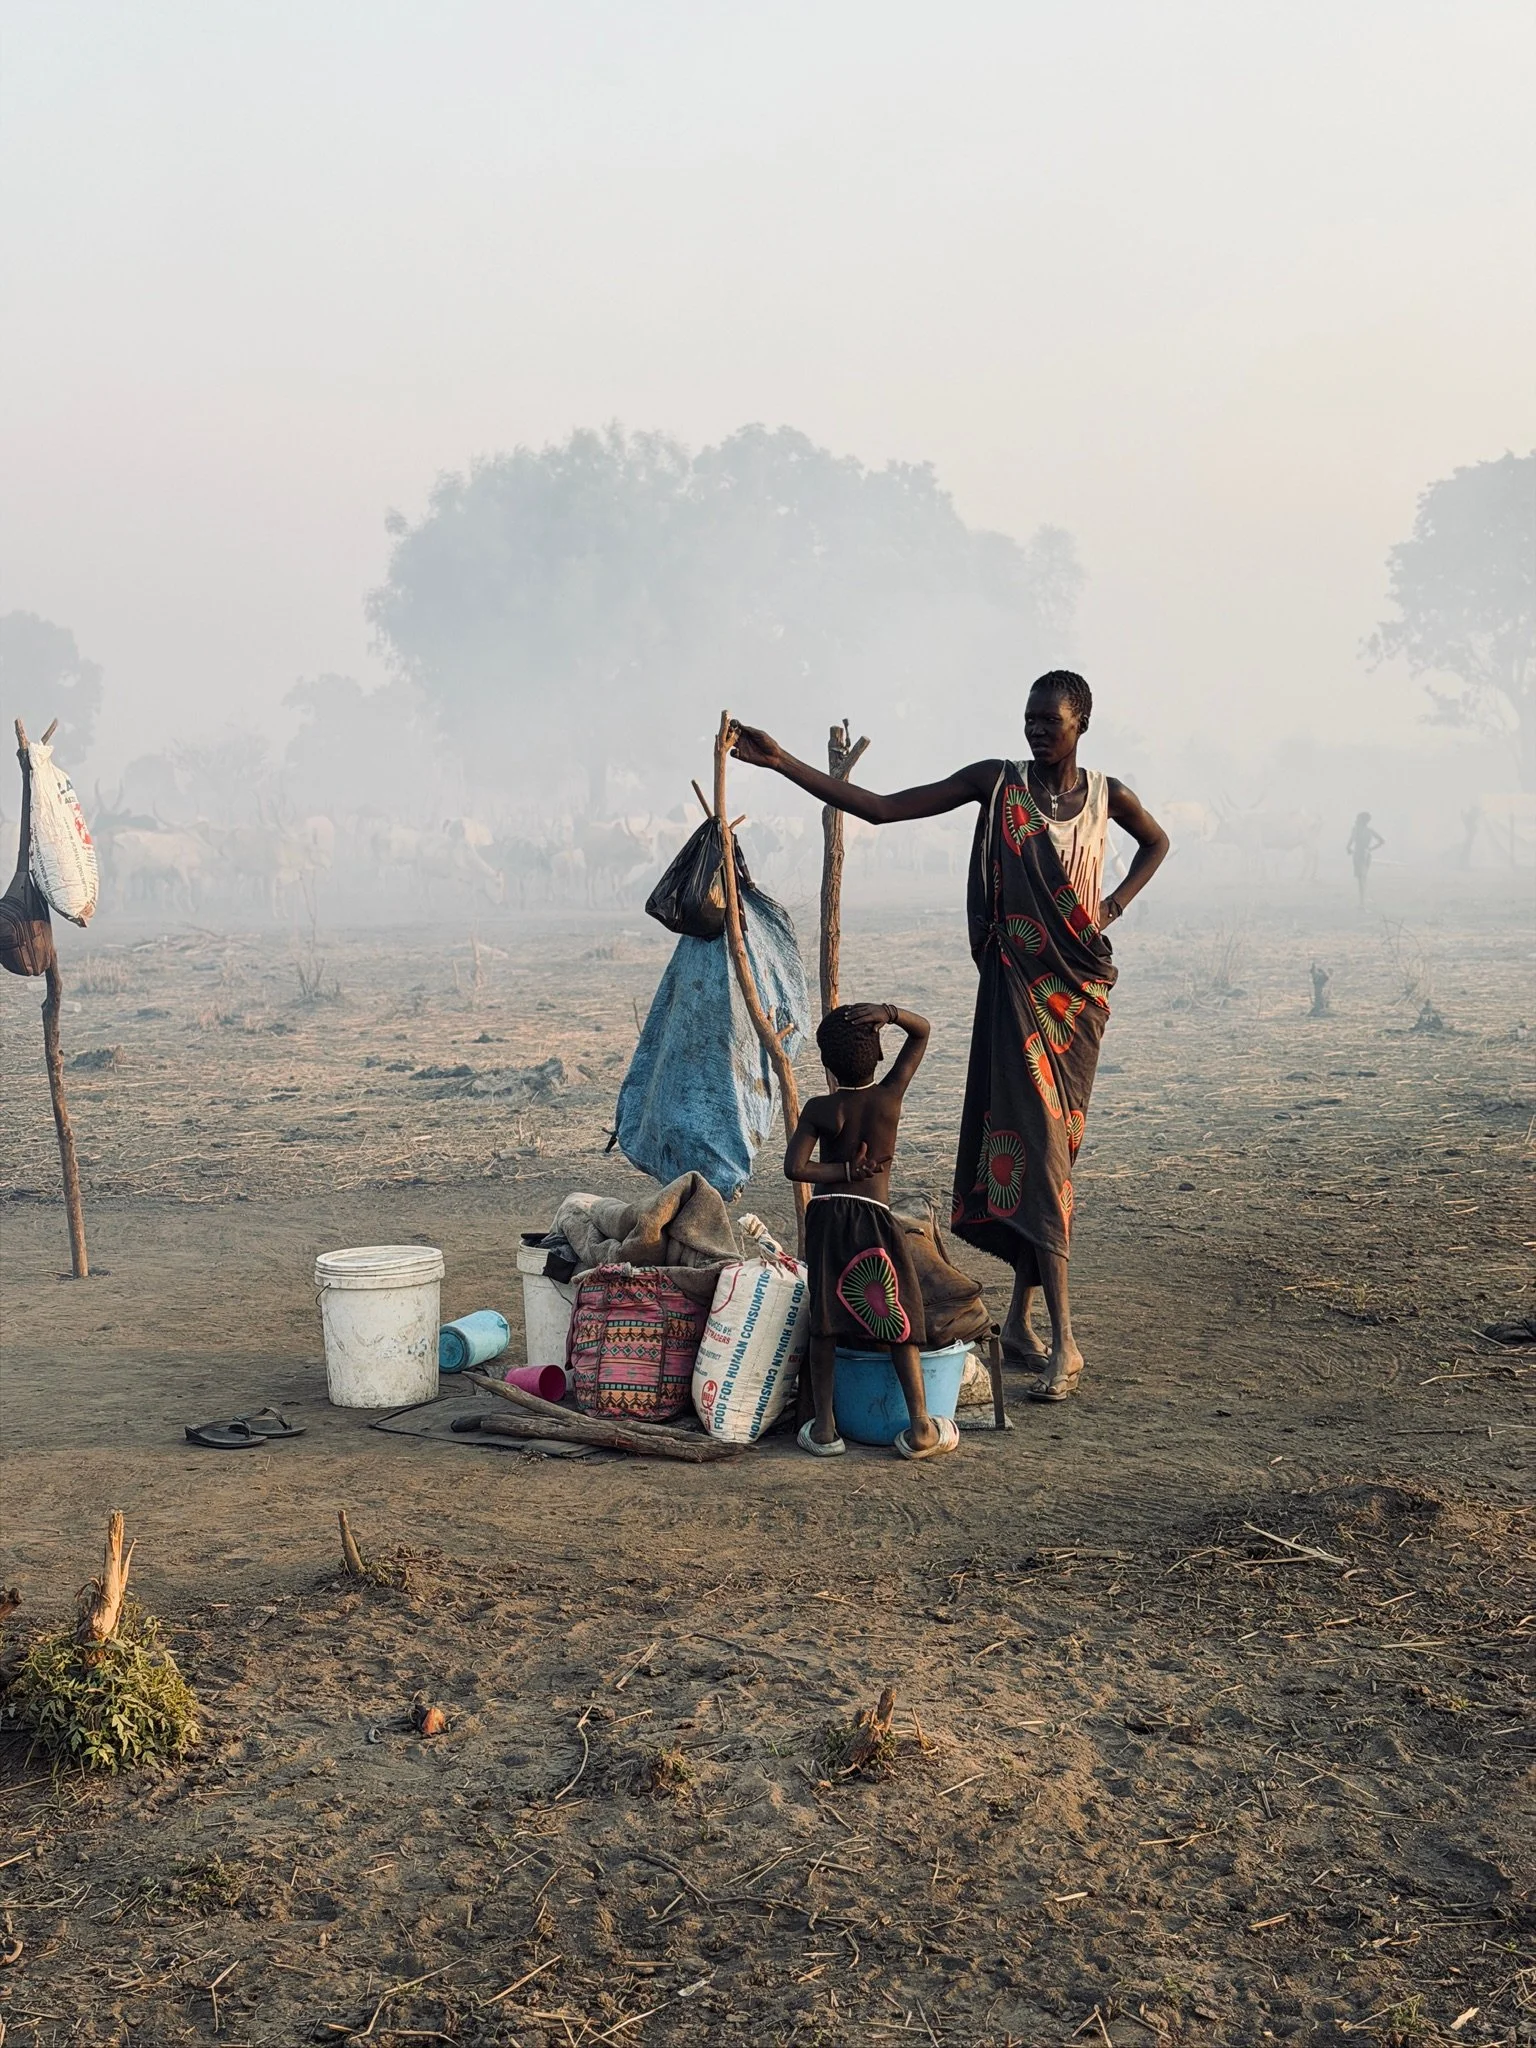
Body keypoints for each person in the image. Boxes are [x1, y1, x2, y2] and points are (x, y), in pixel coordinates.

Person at [735, 670, 1169, 1401]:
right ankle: (1058, 1340)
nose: (1036, 731)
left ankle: (1039, 1327)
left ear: (1082, 724)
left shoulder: (1107, 796)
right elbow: (878, 808)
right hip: (1011, 994)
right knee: (1035, 1151)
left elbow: (1156, 844)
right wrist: (782, 763)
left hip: (1075, 999)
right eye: (1029, 718)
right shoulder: (996, 784)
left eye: (1050, 721)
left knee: (1051, 1153)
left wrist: (1113, 907)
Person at [784, 1002, 958, 1461]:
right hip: (871, 1216)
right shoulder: (888, 1098)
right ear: (880, 1055)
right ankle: (921, 1426)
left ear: (825, 1063)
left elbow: (794, 1168)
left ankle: (824, 1430)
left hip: (825, 1219)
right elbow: (923, 1034)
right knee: (896, 1312)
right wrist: (890, 1013)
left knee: (824, 1319)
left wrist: (841, 1168)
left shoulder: (821, 1108)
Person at [1346, 811, 1384, 905]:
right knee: (1361, 877)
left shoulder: (1364, 830)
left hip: (1362, 855)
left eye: (1358, 819)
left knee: (1362, 877)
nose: (1356, 821)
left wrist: (1370, 849)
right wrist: (1348, 848)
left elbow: (1381, 840)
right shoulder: (1358, 829)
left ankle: (1362, 901)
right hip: (1360, 854)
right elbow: (1350, 841)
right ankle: (1363, 899)